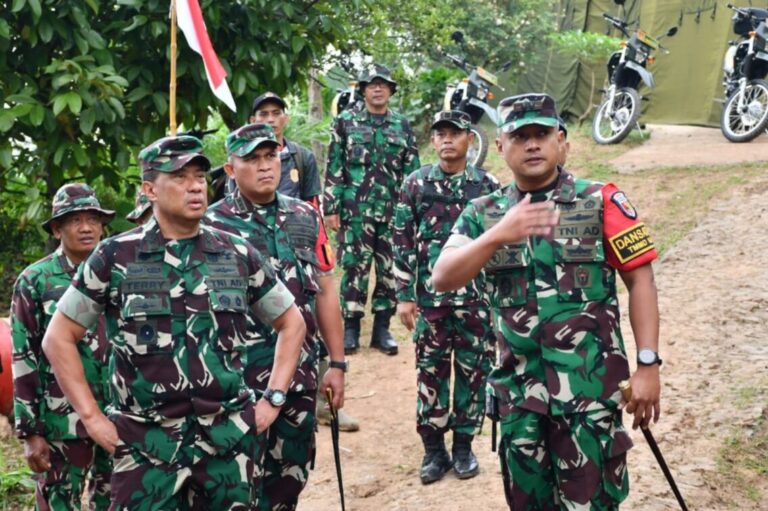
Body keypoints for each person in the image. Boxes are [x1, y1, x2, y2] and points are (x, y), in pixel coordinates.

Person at [40, 135, 306, 510]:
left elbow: (292, 323)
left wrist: (273, 398)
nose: (195, 185)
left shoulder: (236, 252)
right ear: (150, 188)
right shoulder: (116, 256)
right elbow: (59, 338)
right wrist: (93, 418)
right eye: (179, 177)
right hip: (146, 446)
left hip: (227, 444)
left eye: (199, 175)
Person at [432, 93, 661, 510]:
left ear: (563, 141)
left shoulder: (601, 199)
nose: (532, 144)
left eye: (542, 134)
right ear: (500, 147)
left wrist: (648, 365)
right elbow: (442, 277)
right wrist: (498, 234)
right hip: (520, 401)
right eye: (520, 136)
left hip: (589, 400)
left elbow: (640, 280)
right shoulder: (483, 213)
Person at [205, 124, 347, 509]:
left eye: (271, 156)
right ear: (231, 169)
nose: (265, 166)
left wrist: (336, 363)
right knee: (233, 490)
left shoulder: (305, 216)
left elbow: (325, 289)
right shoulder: (209, 226)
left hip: (298, 378)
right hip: (237, 384)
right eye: (252, 159)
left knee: (288, 484)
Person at [393, 110, 500, 485]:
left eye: (455, 133)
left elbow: (501, 245)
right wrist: (405, 295)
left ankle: (464, 446)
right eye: (440, 134)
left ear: (470, 139)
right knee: (431, 372)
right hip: (430, 302)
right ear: (433, 140)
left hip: (477, 301)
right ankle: (434, 451)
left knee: (474, 372)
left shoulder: (488, 185)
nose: (447, 139)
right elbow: (403, 239)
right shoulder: (416, 183)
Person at [250, 91, 359, 432]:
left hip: (298, 248)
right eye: (262, 113)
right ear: (253, 120)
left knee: (308, 320)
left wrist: (321, 253)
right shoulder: (239, 166)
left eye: (275, 112)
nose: (269, 118)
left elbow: (314, 204)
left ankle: (324, 405)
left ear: (285, 118)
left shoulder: (301, 157)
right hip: (257, 255)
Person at [11, 183, 114, 510]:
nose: (86, 228)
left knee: (117, 500)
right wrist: (30, 432)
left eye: (93, 219)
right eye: (75, 220)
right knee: (59, 504)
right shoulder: (35, 281)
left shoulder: (120, 272)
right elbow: (23, 357)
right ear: (57, 228)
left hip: (116, 416)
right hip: (61, 423)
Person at [323, 63, 420, 355]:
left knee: (390, 268)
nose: (377, 89)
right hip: (356, 211)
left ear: (390, 90)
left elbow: (411, 170)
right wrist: (332, 206)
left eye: (383, 84)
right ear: (363, 90)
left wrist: (413, 210)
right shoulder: (345, 121)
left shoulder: (402, 125)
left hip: (393, 211)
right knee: (355, 267)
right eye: (371, 84)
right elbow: (334, 165)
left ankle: (382, 330)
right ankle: (350, 329)